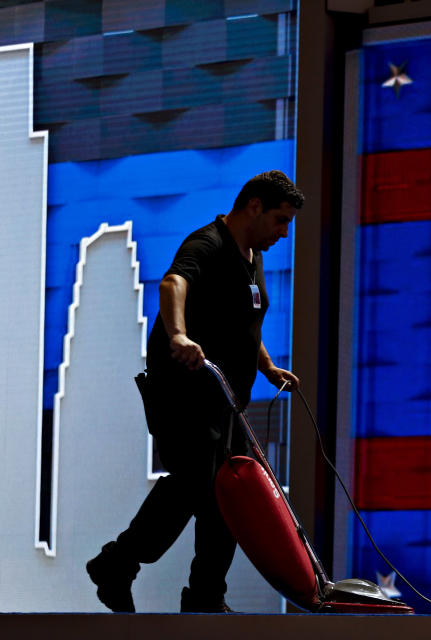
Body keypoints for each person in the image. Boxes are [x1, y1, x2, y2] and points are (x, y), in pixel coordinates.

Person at [86, 170, 304, 613]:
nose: (284, 233)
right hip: (184, 395)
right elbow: (173, 284)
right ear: (254, 206)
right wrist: (178, 335)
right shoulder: (207, 243)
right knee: (193, 483)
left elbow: (244, 320)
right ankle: (117, 563)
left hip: (224, 403)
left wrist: (265, 366)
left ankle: (205, 595)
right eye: (281, 220)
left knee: (233, 494)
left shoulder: (251, 256)